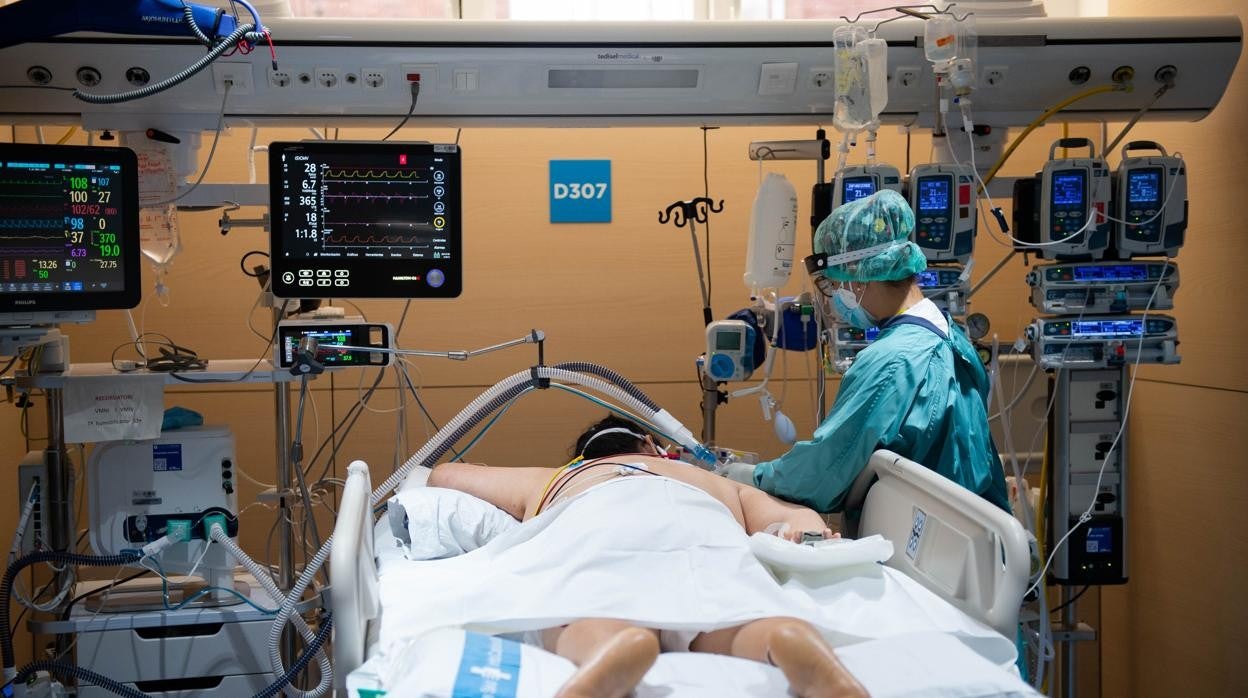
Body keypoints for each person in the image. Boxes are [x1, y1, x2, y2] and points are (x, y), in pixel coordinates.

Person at [427, 415, 868, 698]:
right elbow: (791, 518)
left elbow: (444, 475)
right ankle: (781, 636)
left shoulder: (563, 476)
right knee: (729, 618)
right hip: (700, 527)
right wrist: (801, 531)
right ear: (654, 447)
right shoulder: (709, 480)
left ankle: (609, 644)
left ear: (583, 455)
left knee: (578, 612)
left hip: (598, 518)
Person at [738, 189, 1009, 513]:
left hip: (922, 533)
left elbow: (825, 471)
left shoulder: (892, 361)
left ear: (857, 278)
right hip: (965, 525)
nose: (831, 299)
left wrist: (748, 476)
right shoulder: (950, 335)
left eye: (831, 285)